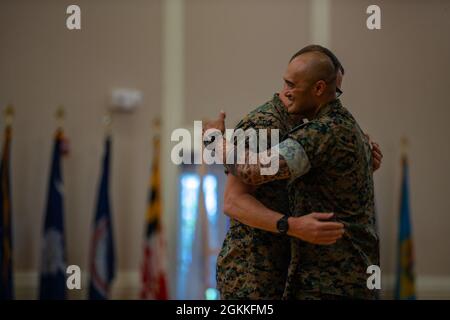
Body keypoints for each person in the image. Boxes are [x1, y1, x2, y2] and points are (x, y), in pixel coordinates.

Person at [205, 45, 382, 299]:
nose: (286, 91)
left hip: (328, 281)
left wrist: (213, 140)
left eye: (292, 85)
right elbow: (233, 201)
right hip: (255, 278)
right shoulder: (265, 123)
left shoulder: (322, 130)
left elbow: (251, 169)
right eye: (286, 83)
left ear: (319, 88)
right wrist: (291, 225)